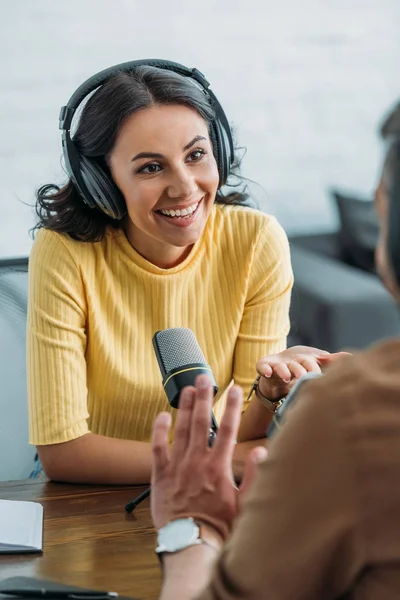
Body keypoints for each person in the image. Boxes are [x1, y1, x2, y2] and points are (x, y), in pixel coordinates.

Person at [27, 59, 340, 485]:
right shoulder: (63, 252)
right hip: (92, 492)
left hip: (210, 481)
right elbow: (63, 453)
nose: (185, 187)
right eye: (150, 167)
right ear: (101, 181)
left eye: (196, 155)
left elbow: (247, 425)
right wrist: (222, 459)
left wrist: (270, 393)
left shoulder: (255, 240)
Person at [149, 104, 400, 599]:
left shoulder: (357, 410)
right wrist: (268, 397)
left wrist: (190, 529)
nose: (182, 185)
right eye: (152, 165)